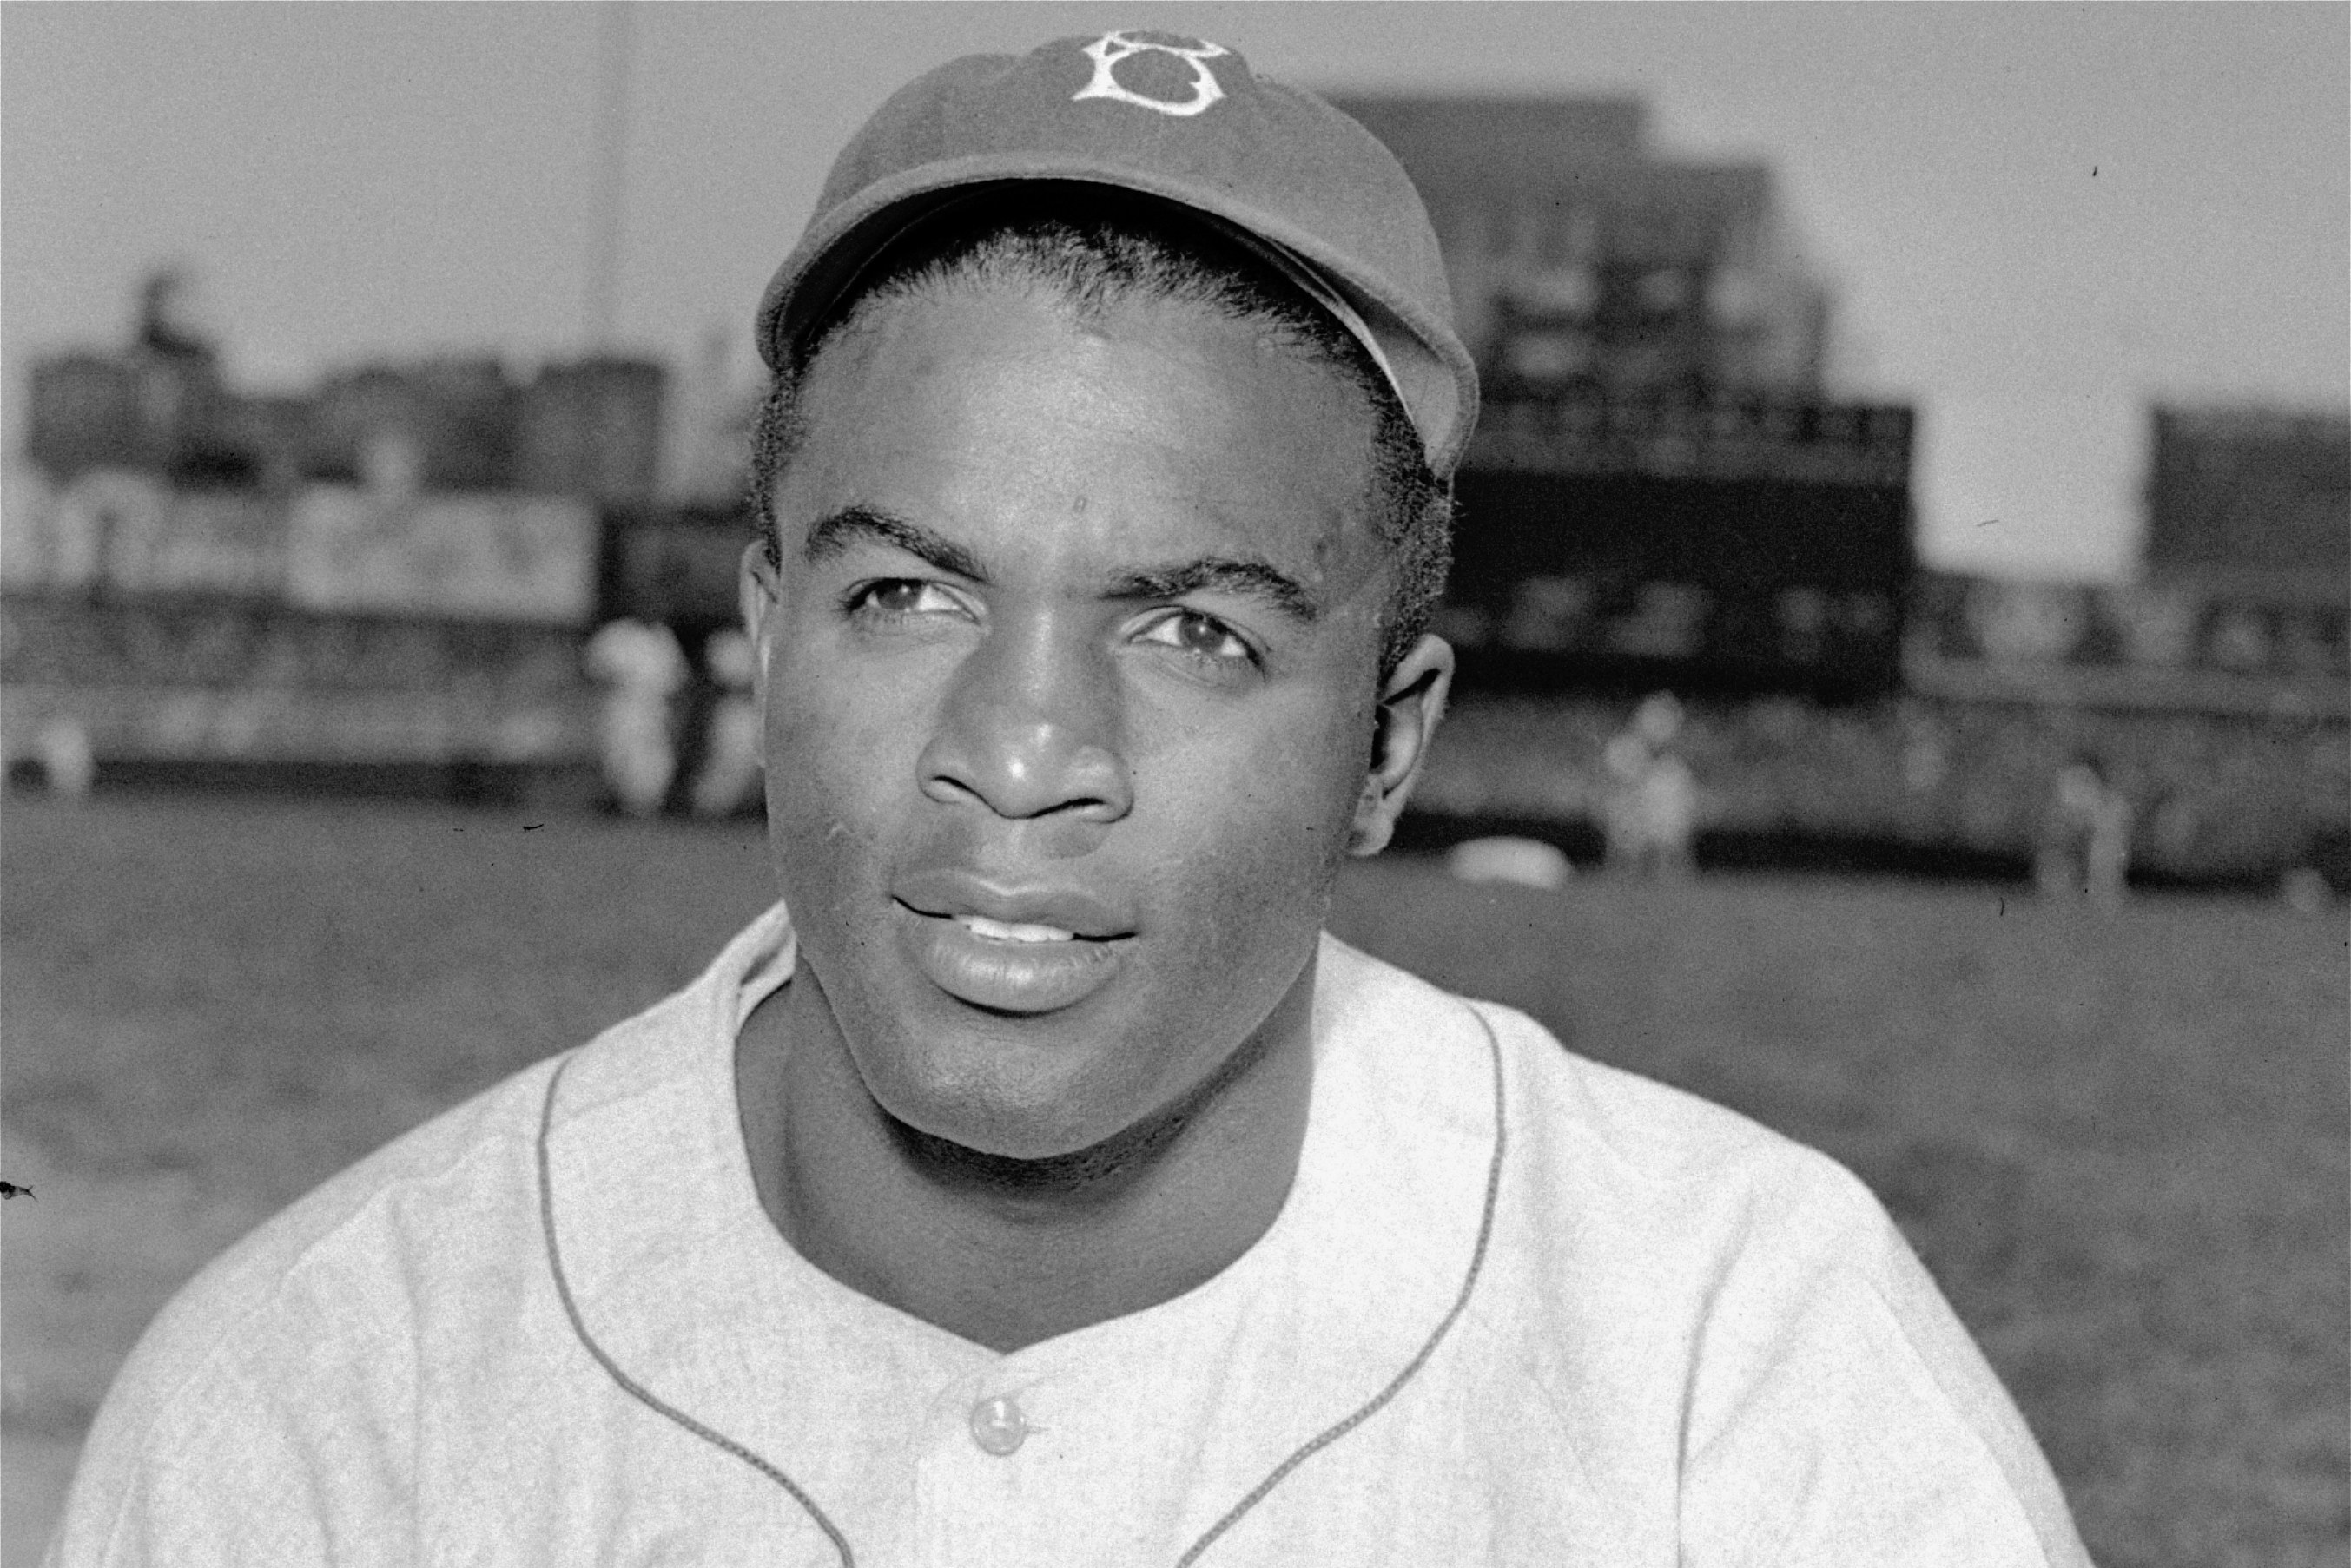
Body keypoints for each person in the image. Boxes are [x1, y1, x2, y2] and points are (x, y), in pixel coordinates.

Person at [47, 30, 2090, 1565]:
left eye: (1192, 630)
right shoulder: (334, 1409)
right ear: (761, 637)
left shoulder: (1731, 1375)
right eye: (908, 592)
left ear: (1386, 743)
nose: (1021, 752)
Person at [584, 609, 689, 817]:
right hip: (622, 709)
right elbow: (593, 669)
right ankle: (627, 811)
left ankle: (643, 812)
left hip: (655, 712)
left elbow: (677, 678)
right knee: (623, 764)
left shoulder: (663, 636)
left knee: (658, 766)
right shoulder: (617, 633)